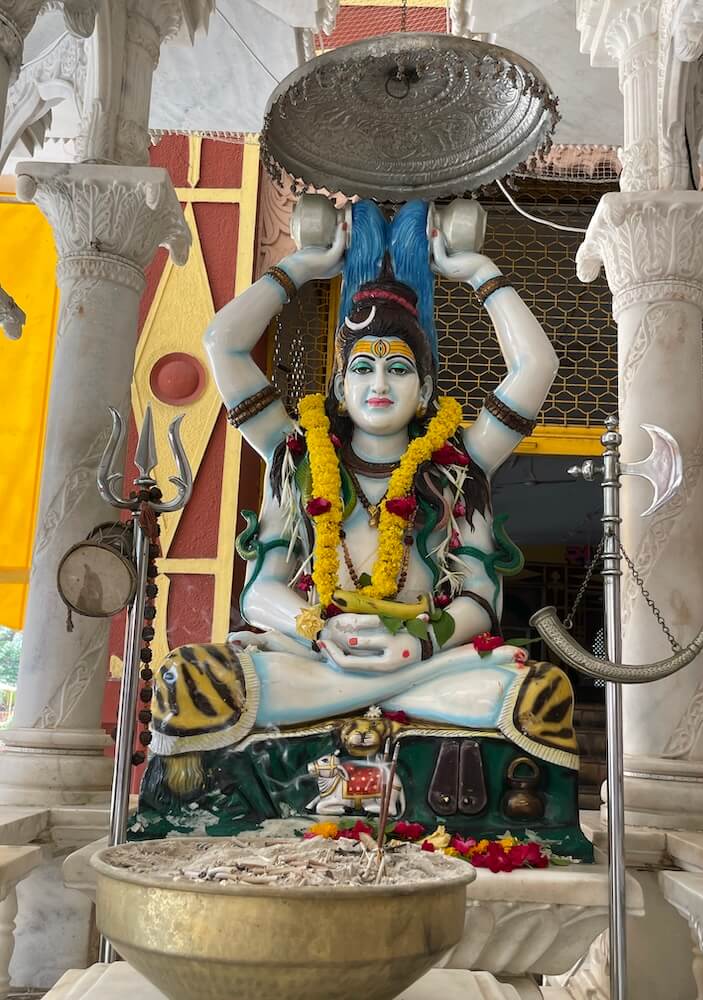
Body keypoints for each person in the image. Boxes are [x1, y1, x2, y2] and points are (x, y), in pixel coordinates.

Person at [173, 198, 563, 738]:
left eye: (398, 369)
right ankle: (365, 697)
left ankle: (363, 699)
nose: (379, 384)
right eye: (362, 368)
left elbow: (536, 366)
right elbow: (223, 345)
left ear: (423, 389)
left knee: (534, 693)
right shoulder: (296, 457)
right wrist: (300, 266)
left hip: (426, 664)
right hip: (314, 658)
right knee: (194, 680)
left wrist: (480, 272)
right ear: (340, 386)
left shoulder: (457, 467)